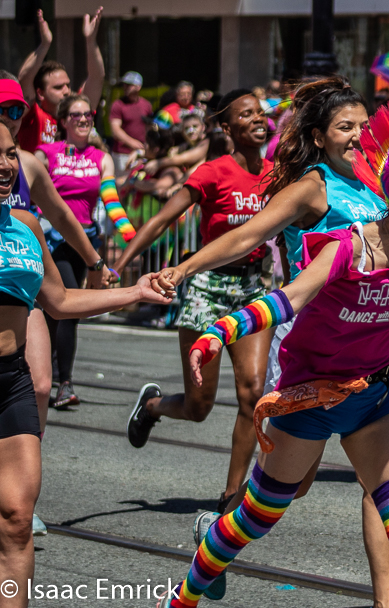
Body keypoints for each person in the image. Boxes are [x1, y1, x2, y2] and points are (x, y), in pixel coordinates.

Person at [156, 90, 389, 608]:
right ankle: (188, 588)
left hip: (374, 382)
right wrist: (215, 322)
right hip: (312, 380)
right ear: (320, 136)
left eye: (363, 124)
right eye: (345, 126)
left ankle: (387, 600)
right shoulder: (321, 200)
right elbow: (277, 279)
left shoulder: (388, 187)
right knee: (265, 511)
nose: (358, 135)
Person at [0, 121, 171, 608]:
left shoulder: (26, 226)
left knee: (16, 519)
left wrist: (135, 291)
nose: (5, 165)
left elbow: (58, 300)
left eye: (11, 153)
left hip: (9, 382)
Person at [114, 91, 274, 517]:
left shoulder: (279, 175)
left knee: (253, 395)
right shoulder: (212, 172)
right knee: (199, 406)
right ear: (227, 128)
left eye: (260, 112)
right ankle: (152, 406)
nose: (258, 119)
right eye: (246, 114)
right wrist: (119, 266)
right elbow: (162, 218)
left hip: (253, 289)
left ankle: (229, 497)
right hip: (206, 288)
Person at [34, 94, 136, 409]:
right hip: (51, 241)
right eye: (76, 115)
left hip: (85, 243)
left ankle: (45, 376)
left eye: (88, 114)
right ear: (63, 121)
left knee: (58, 313)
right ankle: (63, 382)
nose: (83, 119)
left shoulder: (99, 157)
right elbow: (32, 194)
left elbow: (109, 196)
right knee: (68, 309)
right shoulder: (45, 154)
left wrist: (128, 231)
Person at [16, 8, 105, 152]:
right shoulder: (33, 116)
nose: (66, 91)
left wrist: (90, 41)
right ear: (40, 93)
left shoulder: (77, 114)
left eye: (67, 85)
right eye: (58, 87)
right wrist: (45, 44)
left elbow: (97, 78)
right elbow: (24, 79)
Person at [109, 71, 154, 177]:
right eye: (124, 84)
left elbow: (149, 126)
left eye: (129, 85)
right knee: (121, 184)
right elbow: (115, 128)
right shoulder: (118, 105)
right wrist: (131, 142)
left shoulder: (146, 105)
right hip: (122, 154)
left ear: (138, 87)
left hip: (141, 153)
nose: (125, 87)